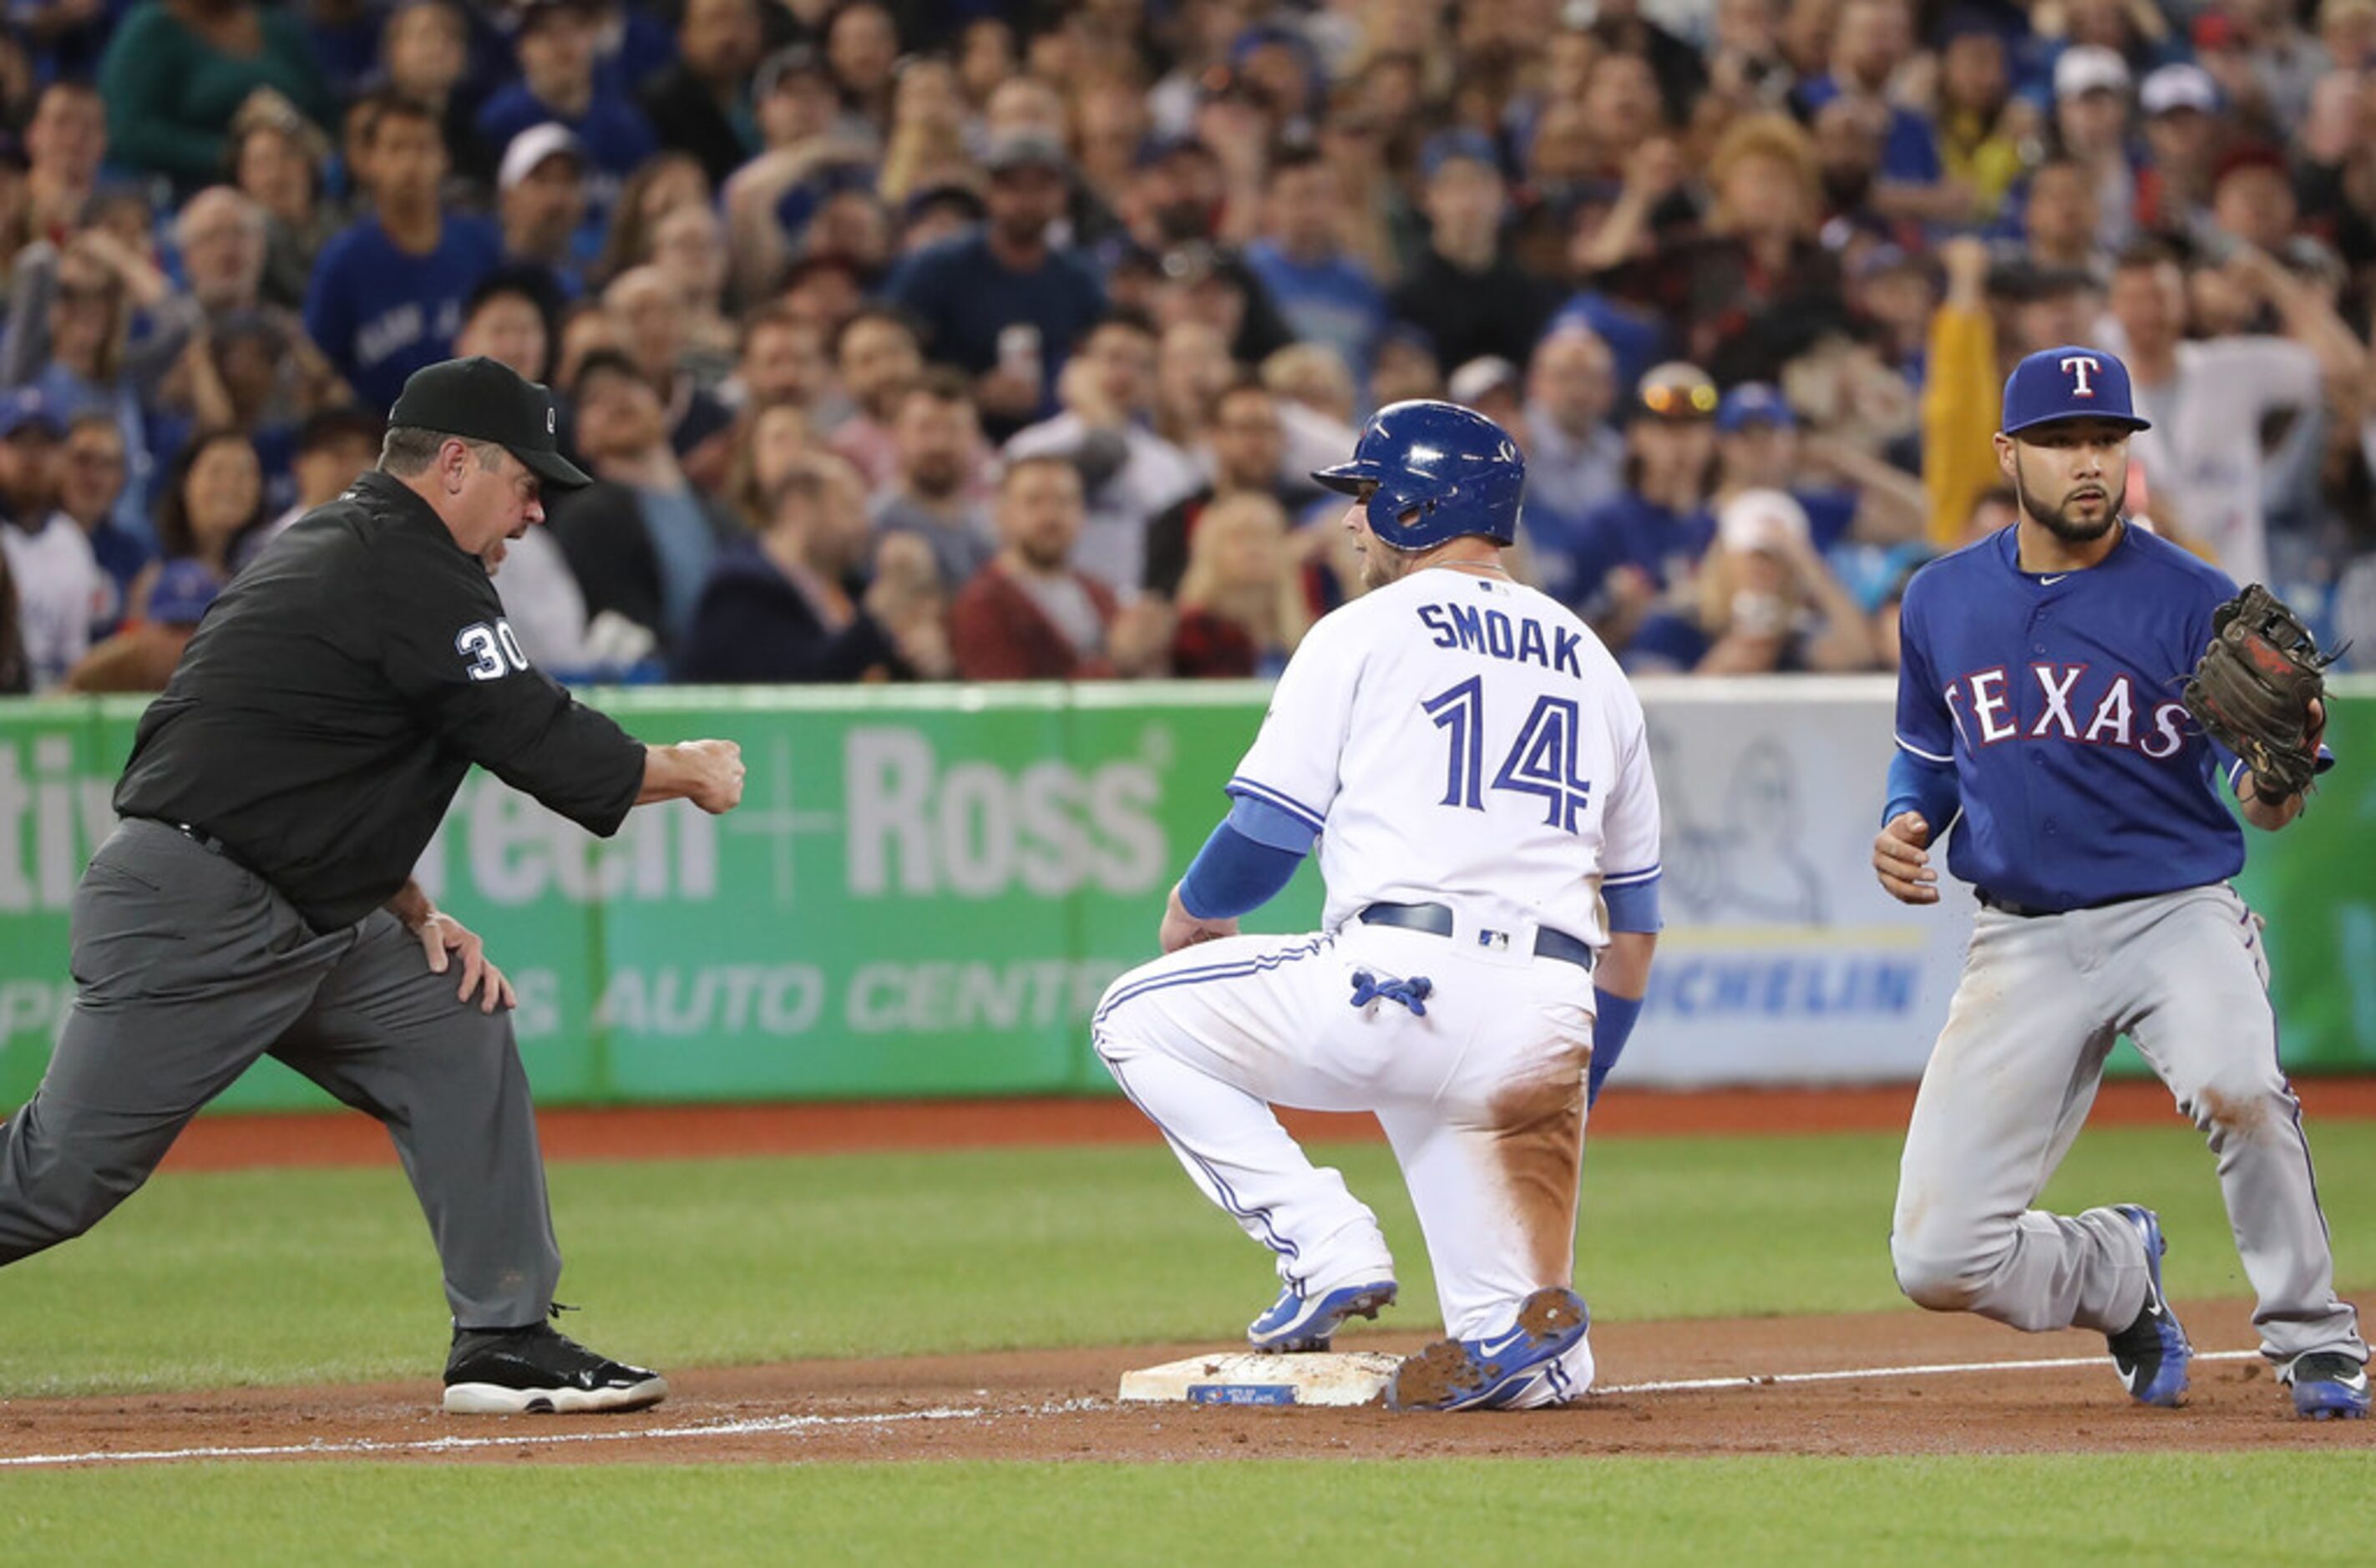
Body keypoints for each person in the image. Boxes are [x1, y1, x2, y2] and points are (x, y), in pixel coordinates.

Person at [0, 354, 747, 1414]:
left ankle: (504, 1338)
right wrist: (685, 766)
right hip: (198, 912)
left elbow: (297, 759)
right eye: (525, 481)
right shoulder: (403, 565)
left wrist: (408, 905)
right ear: (455, 464)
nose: (536, 509)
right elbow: (538, 738)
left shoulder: (346, 548)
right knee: (57, 1180)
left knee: (453, 1016)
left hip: (306, 908)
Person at [1092, 399, 1661, 1411]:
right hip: (1545, 1012)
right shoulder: (1595, 661)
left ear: (1416, 503)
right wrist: (1576, 1082)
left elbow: (1268, 834)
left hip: (1398, 979)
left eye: (1364, 494)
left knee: (1136, 1015)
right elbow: (1635, 924)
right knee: (1528, 1363)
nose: (1351, 520)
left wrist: (1190, 913)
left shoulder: (1364, 629)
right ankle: (1519, 1343)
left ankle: (1323, 1241)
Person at [1873, 345, 2370, 1421]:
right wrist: (1903, 817)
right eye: (2059, 442)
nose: (2086, 461)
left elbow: (2265, 798)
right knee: (1936, 1259)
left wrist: (2279, 778)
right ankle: (2112, 1270)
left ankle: (2313, 1335)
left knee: (2240, 1090)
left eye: (2105, 439)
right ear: (2008, 454)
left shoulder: (2197, 599)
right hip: (2020, 940)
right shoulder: (1940, 600)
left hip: (2171, 913)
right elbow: (1928, 747)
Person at [304, 92, 503, 412]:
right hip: (382, 440)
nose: (411, 163)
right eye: (397, 148)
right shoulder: (343, 262)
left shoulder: (480, 243)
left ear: (444, 159)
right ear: (370, 162)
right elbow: (316, 367)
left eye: (423, 148)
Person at [676, 452, 948, 684]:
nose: (863, 526)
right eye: (849, 508)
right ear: (798, 508)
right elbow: (794, 685)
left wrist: (923, 658)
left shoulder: (850, 588)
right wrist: (878, 614)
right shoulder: (739, 589)